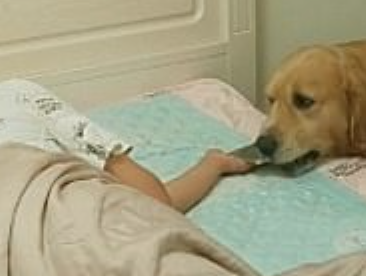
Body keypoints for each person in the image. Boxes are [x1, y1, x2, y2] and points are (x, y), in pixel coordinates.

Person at [0, 79, 252, 213]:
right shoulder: (18, 95)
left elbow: (157, 204)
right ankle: (215, 162)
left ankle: (215, 163)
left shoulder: (17, 97)